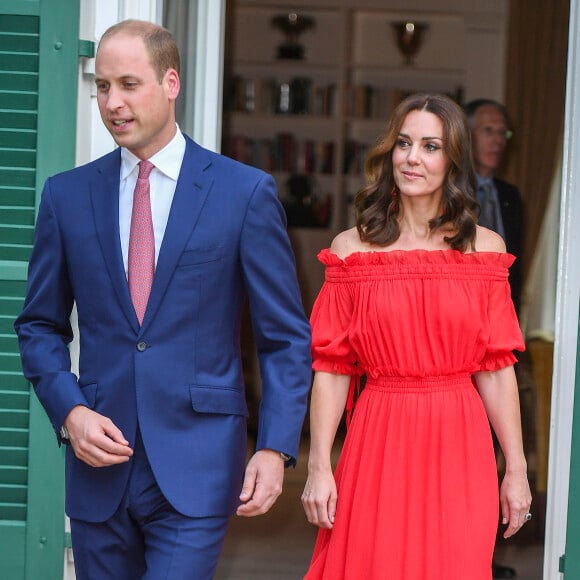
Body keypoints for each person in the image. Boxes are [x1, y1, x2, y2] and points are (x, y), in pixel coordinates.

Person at [14, 19, 311, 580]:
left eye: (129, 84)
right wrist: (70, 412)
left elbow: (285, 337)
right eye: (102, 87)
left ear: (171, 82)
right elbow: (38, 325)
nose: (113, 103)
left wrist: (275, 448)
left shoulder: (244, 193)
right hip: (99, 460)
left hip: (199, 463)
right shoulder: (66, 196)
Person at [301, 93, 532, 579]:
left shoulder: (485, 250)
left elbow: (496, 370)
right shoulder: (351, 249)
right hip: (378, 435)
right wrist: (319, 466)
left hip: (460, 441)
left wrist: (516, 469)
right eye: (404, 143)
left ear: (452, 161)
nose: (411, 157)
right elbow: (332, 368)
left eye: (430, 146)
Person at [465, 98, 525, 579]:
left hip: (495, 335)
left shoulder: (510, 195)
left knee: (488, 453)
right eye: (487, 130)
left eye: (502, 133)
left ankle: (478, 554)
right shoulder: (444, 188)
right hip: (454, 349)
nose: (496, 142)